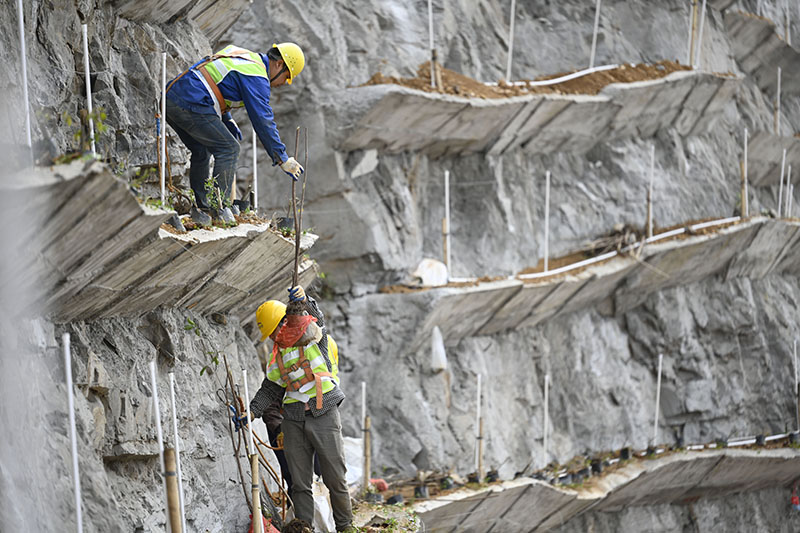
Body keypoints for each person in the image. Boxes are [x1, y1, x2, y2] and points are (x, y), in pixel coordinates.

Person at [249, 286, 354, 532]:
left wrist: (305, 301)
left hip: (323, 413)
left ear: (285, 323)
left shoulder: (313, 337)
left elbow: (318, 318)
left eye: (275, 331)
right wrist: (251, 413)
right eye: (272, 335)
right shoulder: (277, 356)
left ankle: (346, 527)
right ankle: (304, 528)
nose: (275, 337)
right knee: (299, 483)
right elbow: (270, 389)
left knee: (335, 478)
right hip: (294, 418)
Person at [165, 43, 305, 219]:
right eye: (286, 77)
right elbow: (263, 120)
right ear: (279, 64)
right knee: (229, 149)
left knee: (202, 150)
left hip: (173, 98)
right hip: (191, 102)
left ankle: (203, 208)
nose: (282, 83)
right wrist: (281, 157)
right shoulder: (257, 75)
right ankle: (219, 209)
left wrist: (227, 118)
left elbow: (214, 81)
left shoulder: (243, 55)